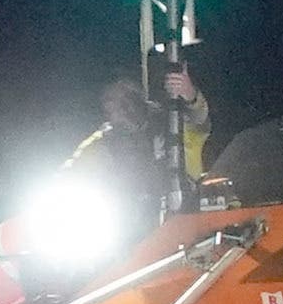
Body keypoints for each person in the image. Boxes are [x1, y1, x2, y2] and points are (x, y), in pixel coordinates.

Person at [67, 67, 212, 220]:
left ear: (139, 99)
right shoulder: (102, 144)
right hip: (130, 226)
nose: (121, 109)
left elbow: (200, 120)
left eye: (126, 100)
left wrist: (190, 95)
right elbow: (70, 176)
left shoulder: (172, 123)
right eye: (110, 102)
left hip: (186, 215)